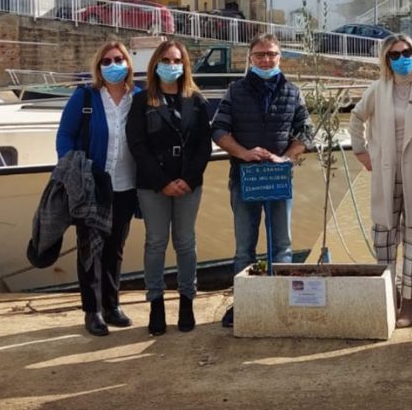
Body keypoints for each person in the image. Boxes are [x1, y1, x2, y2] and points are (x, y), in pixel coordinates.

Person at [211, 33, 313, 328]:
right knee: (245, 245)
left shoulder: (293, 92)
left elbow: (306, 132)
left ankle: (283, 302)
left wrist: (287, 157)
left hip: (278, 178)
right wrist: (243, 153)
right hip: (244, 177)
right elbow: (218, 129)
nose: (266, 60)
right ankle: (244, 303)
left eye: (271, 54)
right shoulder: (236, 91)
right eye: (260, 55)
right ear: (251, 58)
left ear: (280, 57)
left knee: (282, 245)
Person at [349, 34, 412, 328]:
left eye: (405, 53)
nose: (401, 58)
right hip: (386, 172)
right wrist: (362, 152)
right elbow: (356, 118)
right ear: (386, 60)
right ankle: (390, 296)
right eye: (394, 55)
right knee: (384, 239)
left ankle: (411, 303)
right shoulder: (378, 90)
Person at [126, 40, 212, 336]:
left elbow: (204, 145)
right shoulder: (142, 101)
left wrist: (187, 179)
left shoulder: (197, 100)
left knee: (186, 242)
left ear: (185, 65)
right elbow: (137, 144)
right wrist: (162, 181)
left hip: (189, 183)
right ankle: (156, 303)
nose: (171, 65)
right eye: (166, 60)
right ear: (155, 64)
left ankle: (187, 300)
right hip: (153, 185)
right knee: (156, 242)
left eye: (177, 60)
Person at [55, 41, 139, 337]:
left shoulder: (137, 98)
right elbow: (65, 135)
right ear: (98, 67)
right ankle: (92, 311)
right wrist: (71, 170)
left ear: (128, 63)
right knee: (90, 249)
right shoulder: (86, 97)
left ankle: (112, 305)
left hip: (126, 185)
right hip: (92, 185)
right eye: (106, 61)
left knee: (115, 248)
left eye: (118, 59)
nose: (113, 65)